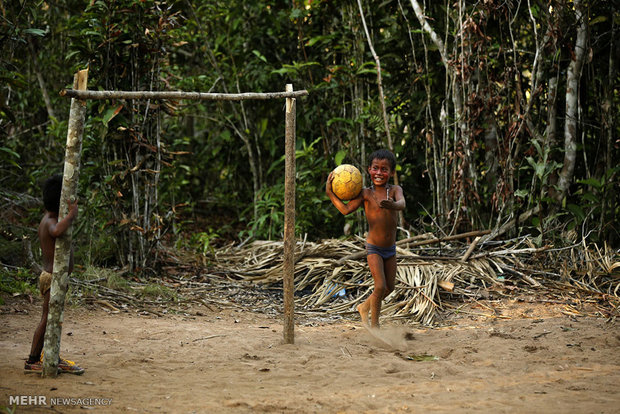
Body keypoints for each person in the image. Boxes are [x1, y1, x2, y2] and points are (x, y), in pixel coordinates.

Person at [326, 149, 405, 329]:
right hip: (374, 248)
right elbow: (345, 210)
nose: (379, 173)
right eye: (375, 168)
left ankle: (364, 307)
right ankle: (375, 326)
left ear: (392, 172)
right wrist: (330, 193)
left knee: (389, 288)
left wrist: (393, 205)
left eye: (384, 169)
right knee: (379, 287)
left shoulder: (395, 190)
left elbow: (402, 204)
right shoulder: (366, 194)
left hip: (390, 249)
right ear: (369, 169)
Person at [24, 174, 84, 374]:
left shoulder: (50, 217)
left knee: (50, 317)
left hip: (54, 278)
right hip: (51, 278)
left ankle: (49, 356)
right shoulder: (50, 220)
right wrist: (71, 215)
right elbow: (57, 230)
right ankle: (34, 359)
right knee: (47, 318)